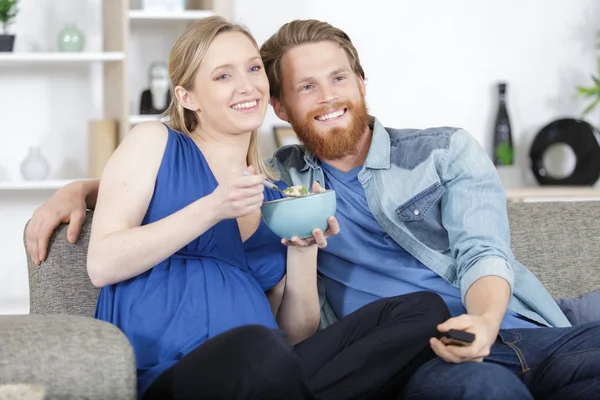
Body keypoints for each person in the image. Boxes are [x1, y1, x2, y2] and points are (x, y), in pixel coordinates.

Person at [25, 18, 600, 400]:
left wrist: (302, 253)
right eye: (222, 74)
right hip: (192, 372)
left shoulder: (286, 186)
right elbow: (107, 258)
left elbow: (297, 327)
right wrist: (91, 188)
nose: (245, 83)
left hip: (309, 364)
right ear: (187, 95)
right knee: (258, 350)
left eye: (251, 68)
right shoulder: (177, 150)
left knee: (418, 308)